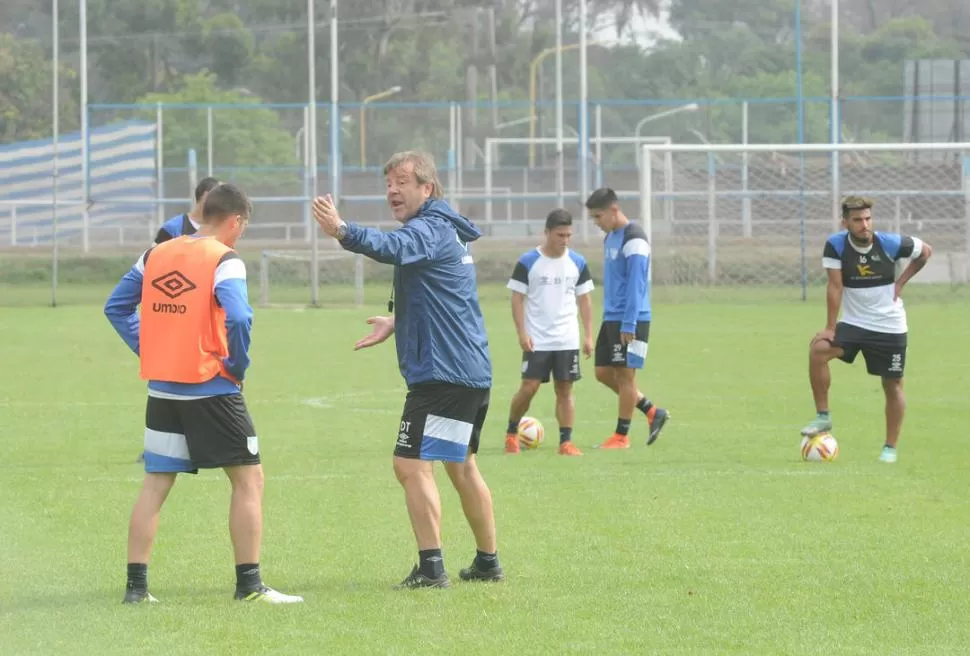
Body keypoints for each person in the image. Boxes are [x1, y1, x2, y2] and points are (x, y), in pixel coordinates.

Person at [311, 150, 502, 590]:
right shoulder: (445, 229)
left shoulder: (430, 228)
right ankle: (487, 563)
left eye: (402, 181)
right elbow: (443, 294)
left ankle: (431, 568)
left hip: (443, 372)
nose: (392, 190)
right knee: (462, 465)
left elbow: (395, 248)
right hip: (466, 367)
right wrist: (396, 321)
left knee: (410, 464)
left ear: (427, 188)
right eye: (388, 183)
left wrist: (343, 230)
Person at [104, 182, 303, 605]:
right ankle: (249, 586)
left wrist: (150, 349)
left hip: (162, 391)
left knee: (156, 482)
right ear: (235, 221)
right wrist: (236, 365)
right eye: (244, 226)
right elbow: (241, 317)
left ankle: (136, 589)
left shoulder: (155, 253)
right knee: (249, 478)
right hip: (211, 389)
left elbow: (115, 307)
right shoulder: (225, 259)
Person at [801, 196, 933, 463]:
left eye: (868, 218)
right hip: (854, 323)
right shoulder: (836, 246)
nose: (865, 225)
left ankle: (890, 448)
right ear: (845, 222)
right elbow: (835, 286)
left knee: (892, 384)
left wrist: (901, 282)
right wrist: (830, 326)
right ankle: (823, 417)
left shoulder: (891, 243)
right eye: (858, 220)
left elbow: (926, 251)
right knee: (818, 350)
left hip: (890, 326)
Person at [503, 208, 594, 456]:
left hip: (566, 338)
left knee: (565, 389)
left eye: (568, 235)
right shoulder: (528, 262)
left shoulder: (577, 262)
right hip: (538, 339)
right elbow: (517, 298)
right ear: (546, 233)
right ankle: (511, 434)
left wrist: (587, 335)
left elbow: (585, 299)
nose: (564, 240)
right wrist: (522, 333)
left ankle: (566, 442)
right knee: (529, 387)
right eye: (559, 235)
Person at [585, 188, 670, 449]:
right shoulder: (610, 236)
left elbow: (636, 283)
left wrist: (629, 322)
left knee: (625, 377)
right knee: (602, 372)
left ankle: (621, 436)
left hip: (631, 318)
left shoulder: (635, 238)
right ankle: (652, 411)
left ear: (614, 210)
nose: (596, 223)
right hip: (611, 316)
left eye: (598, 216)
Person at [154, 176, 221, 244]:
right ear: (205, 196)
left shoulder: (222, 229)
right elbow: (154, 253)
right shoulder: (172, 228)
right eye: (218, 196)